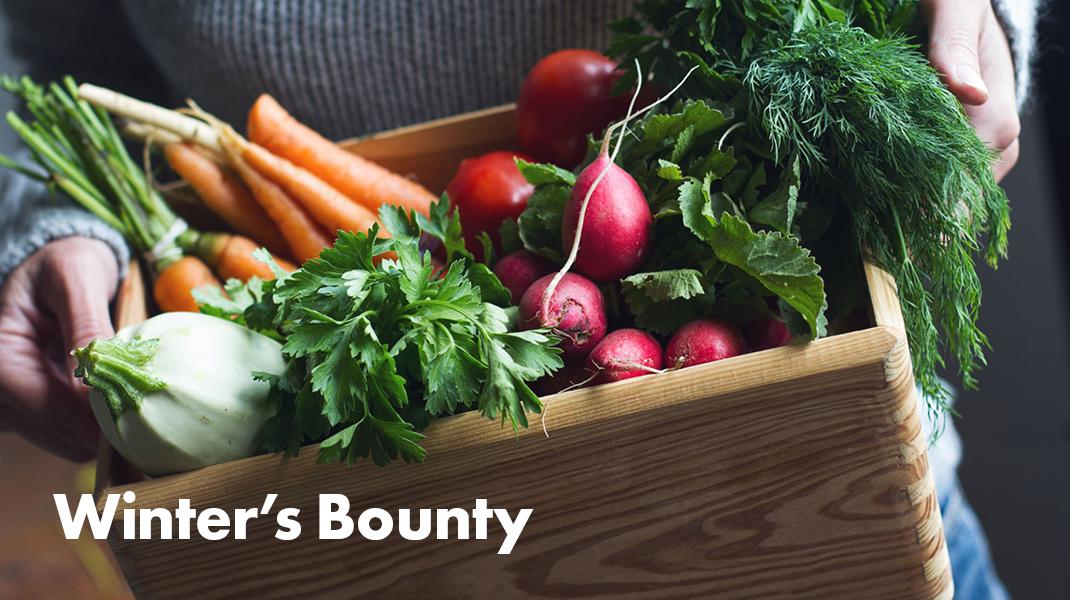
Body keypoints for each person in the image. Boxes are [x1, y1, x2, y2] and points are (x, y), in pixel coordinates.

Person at [0, 1, 1039, 597]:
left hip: (815, 512)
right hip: (348, 553)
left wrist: (972, 26)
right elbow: (48, 42)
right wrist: (41, 220)